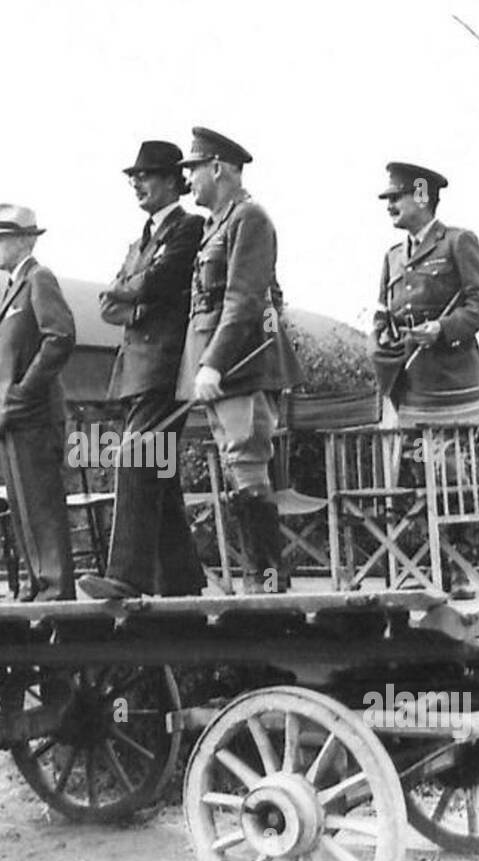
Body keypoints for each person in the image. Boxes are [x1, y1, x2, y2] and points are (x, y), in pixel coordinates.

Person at [176, 127, 303, 594]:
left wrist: (213, 362)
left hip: (239, 367)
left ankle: (266, 579)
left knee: (247, 463)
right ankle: (260, 577)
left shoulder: (249, 218)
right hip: (221, 366)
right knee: (238, 467)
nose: (188, 178)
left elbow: (243, 298)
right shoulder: (218, 224)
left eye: (193, 169)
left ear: (218, 168)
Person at [78, 140, 206, 600]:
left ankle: (127, 576)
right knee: (158, 469)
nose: (137, 183)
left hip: (165, 363)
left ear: (174, 180)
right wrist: (135, 297)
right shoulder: (142, 240)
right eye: (134, 177)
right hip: (138, 366)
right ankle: (183, 579)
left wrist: (133, 293)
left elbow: (163, 279)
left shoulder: (189, 227)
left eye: (146, 175)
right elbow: (110, 301)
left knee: (136, 456)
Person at [369, 162, 479, 599]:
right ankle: (419, 567)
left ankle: (459, 570)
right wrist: (381, 339)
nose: (389, 204)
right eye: (388, 197)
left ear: (421, 198)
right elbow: (381, 313)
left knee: (452, 477)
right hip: (408, 384)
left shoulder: (459, 243)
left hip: (452, 386)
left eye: (397, 196)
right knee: (409, 478)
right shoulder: (391, 256)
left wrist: (442, 330)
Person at [0, 204, 77, 602]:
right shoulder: (10, 288)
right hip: (13, 416)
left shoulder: (40, 279)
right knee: (22, 504)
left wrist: (26, 389)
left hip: (34, 413)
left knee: (41, 502)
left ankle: (55, 587)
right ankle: (37, 582)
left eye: (1, 238)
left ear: (25, 240)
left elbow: (59, 336)